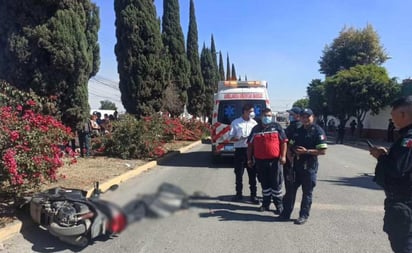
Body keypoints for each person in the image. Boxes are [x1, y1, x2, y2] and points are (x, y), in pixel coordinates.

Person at [369, 96, 412, 252]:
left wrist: (380, 157)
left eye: (393, 115)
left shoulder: (408, 139)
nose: (391, 119)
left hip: (404, 202)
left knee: (404, 245)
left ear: (403, 114)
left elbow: (397, 169)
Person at [279, 108, 328, 225]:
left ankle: (303, 215)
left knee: (307, 193)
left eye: (308, 117)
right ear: (300, 118)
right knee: (290, 191)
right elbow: (290, 144)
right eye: (303, 117)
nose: (305, 119)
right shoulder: (298, 130)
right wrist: (289, 153)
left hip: (309, 167)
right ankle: (286, 213)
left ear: (313, 117)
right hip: (295, 166)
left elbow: (323, 151)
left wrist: (306, 152)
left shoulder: (318, 131)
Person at [247, 108, 288, 213]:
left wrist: (283, 156)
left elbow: (284, 142)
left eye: (269, 115)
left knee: (276, 184)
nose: (267, 117)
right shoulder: (256, 129)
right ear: (261, 116)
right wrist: (249, 159)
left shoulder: (277, 127)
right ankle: (266, 204)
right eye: (265, 115)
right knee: (264, 183)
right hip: (260, 161)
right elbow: (250, 145)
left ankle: (279, 205)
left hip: (274, 161)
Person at [228, 104, 258, 203]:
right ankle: (238, 194)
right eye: (250, 111)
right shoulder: (236, 123)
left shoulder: (254, 123)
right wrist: (239, 138)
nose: (252, 113)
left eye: (252, 111)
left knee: (252, 175)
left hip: (251, 151)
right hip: (240, 151)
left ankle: (253, 195)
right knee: (239, 174)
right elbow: (230, 138)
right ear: (245, 111)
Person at [284, 107, 302, 210]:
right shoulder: (292, 126)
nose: (290, 116)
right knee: (289, 183)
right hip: (290, 156)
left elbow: (290, 142)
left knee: (290, 183)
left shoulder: (297, 127)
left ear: (297, 115)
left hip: (292, 158)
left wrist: (288, 154)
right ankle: (287, 201)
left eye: (291, 114)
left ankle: (287, 205)